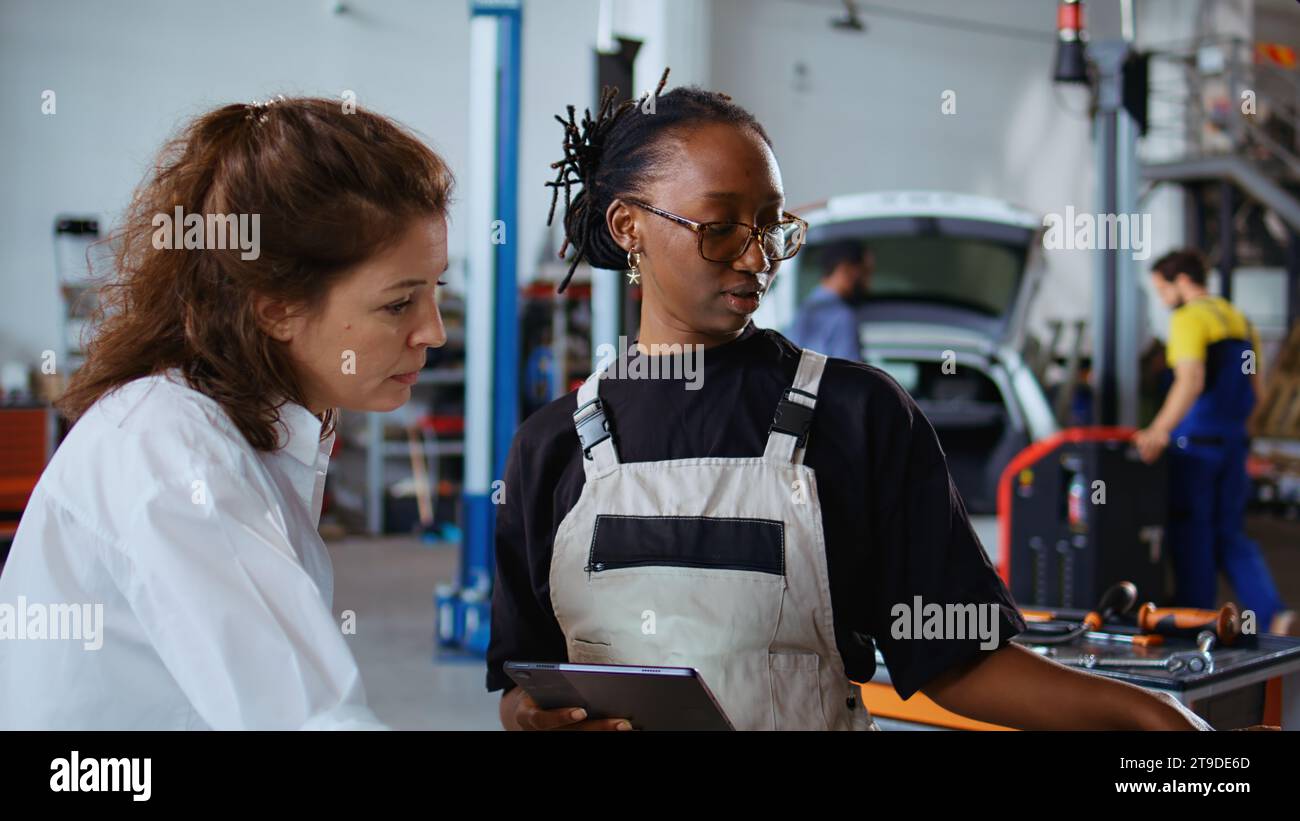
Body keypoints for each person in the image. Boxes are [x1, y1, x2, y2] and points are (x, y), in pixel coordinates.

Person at [486, 73, 1210, 731]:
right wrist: (529, 717)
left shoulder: (856, 415)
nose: (756, 256)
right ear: (627, 227)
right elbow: (527, 677)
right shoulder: (553, 446)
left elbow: (954, 657)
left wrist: (1152, 714)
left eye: (770, 225)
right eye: (720, 226)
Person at [0, 97, 453, 729]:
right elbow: (307, 721)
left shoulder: (244, 427)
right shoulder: (173, 454)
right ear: (274, 308)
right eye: (399, 304)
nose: (433, 331)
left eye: (437, 289)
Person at [1134, 249, 1291, 635]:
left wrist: (1159, 429)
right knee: (1230, 533)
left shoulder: (1188, 319)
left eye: (1162, 289)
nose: (1162, 299)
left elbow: (1191, 379)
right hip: (1232, 443)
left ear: (1182, 282)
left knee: (1192, 532)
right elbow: (1256, 387)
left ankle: (1195, 616)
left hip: (1196, 446)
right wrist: (1243, 433)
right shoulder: (1238, 319)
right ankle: (1273, 614)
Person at [785, 239, 872, 360]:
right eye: (865, 272)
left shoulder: (802, 310)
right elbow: (850, 374)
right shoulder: (843, 317)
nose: (868, 284)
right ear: (845, 269)